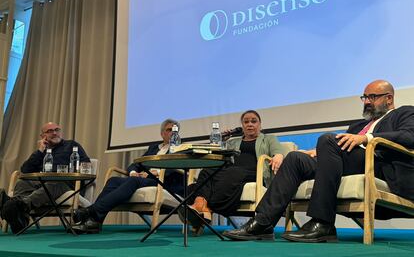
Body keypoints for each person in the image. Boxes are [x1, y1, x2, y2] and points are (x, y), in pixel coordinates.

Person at [223, 80, 414, 242]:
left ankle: (323, 223)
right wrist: (320, 151)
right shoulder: (358, 125)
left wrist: (366, 138)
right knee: (296, 158)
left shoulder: (404, 113)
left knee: (327, 139)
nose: (367, 102)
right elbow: (339, 147)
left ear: (389, 98)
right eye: (364, 98)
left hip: (376, 162)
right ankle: (262, 223)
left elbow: (409, 136)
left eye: (372, 97)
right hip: (345, 161)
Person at [181, 110, 287, 235]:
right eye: (246, 121)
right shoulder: (233, 141)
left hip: (255, 173)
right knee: (206, 171)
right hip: (231, 173)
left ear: (260, 124)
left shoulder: (268, 139)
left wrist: (278, 156)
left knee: (233, 172)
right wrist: (223, 140)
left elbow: (279, 151)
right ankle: (201, 206)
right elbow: (217, 154)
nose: (250, 124)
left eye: (253, 121)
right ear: (242, 125)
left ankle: (203, 209)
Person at [71, 118, 184, 234]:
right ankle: (95, 222)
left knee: (133, 181)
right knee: (113, 180)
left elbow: (177, 167)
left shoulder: (181, 148)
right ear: (162, 133)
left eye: (175, 130)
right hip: (144, 179)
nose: (173, 133)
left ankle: (90, 211)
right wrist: (133, 173)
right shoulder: (154, 148)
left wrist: (155, 173)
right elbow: (135, 164)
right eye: (169, 130)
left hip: (164, 182)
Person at [0, 122, 90, 234]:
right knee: (22, 183)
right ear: (43, 136)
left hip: (66, 183)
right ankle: (20, 219)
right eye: (50, 131)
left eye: (57, 129)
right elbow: (25, 170)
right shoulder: (42, 151)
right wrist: (40, 151)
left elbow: (86, 164)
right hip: (43, 182)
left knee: (53, 183)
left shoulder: (72, 145)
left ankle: (17, 205)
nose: (55, 133)